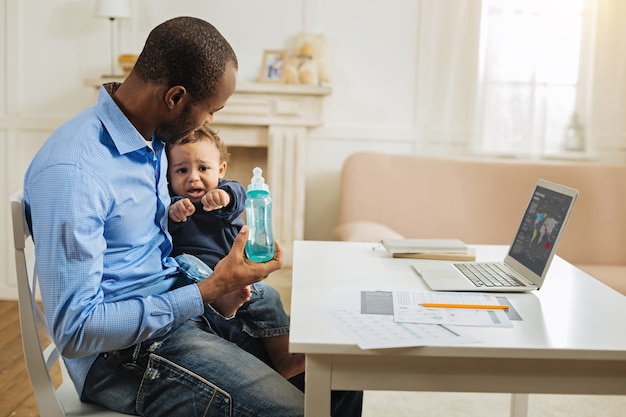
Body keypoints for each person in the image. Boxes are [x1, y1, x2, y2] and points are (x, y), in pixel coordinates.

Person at [23, 16, 362, 417]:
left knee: (341, 379)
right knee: (300, 411)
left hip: (174, 311)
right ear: (175, 98)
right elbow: (76, 331)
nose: (210, 121)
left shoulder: (146, 140)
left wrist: (217, 291)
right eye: (211, 109)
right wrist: (208, 290)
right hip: (122, 356)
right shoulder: (76, 172)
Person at [166, 123, 305, 379]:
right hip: (202, 282)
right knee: (182, 262)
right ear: (168, 176)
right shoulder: (173, 203)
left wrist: (223, 196)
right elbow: (166, 213)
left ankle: (285, 357)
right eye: (181, 170)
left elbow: (237, 195)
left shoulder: (227, 194)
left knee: (267, 296)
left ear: (220, 170)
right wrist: (174, 210)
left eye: (203, 168)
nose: (193, 177)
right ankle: (224, 300)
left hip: (236, 277)